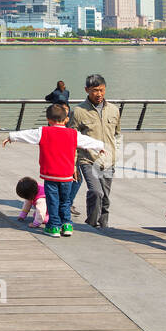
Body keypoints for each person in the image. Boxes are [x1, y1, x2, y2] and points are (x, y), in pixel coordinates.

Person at [2, 104, 104, 237]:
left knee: (53, 201)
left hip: (50, 175)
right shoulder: (73, 134)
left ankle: (54, 226)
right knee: (65, 201)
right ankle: (67, 225)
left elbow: (27, 135)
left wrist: (12, 137)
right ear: (66, 118)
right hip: (67, 176)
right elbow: (87, 141)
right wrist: (100, 146)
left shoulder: (43, 132)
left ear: (48, 119)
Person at [70, 73, 121, 230]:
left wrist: (115, 152)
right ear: (86, 90)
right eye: (94, 90)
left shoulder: (114, 110)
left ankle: (103, 227)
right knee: (96, 192)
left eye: (101, 90)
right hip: (88, 159)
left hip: (108, 160)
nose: (98, 94)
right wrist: (73, 164)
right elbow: (71, 139)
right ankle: (91, 224)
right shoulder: (78, 111)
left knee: (105, 198)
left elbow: (117, 134)